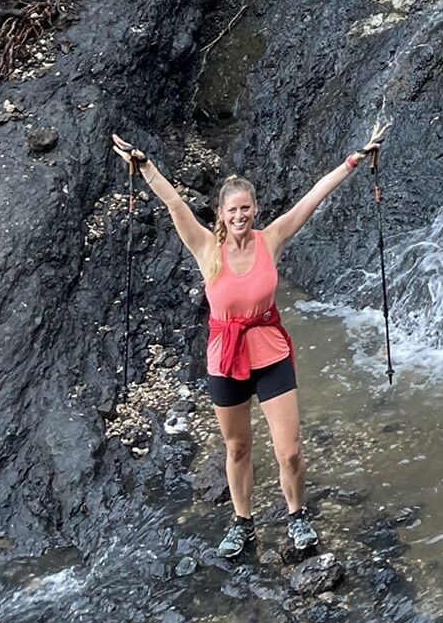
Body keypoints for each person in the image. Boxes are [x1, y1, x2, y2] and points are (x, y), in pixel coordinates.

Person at [110, 124, 386, 561]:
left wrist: (354, 159)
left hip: (270, 353)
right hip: (225, 358)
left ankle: (297, 516)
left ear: (255, 209)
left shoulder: (270, 239)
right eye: (232, 209)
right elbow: (174, 203)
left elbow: (313, 198)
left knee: (289, 451)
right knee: (237, 447)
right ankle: (242, 522)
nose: (240, 215)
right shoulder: (206, 247)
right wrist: (144, 166)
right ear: (221, 213)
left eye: (245, 208)